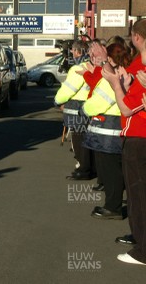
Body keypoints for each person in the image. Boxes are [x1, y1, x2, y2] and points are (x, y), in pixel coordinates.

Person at [102, 18, 146, 266]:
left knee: (138, 194)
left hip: (139, 137)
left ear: (136, 37)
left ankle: (143, 250)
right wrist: (127, 85)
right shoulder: (139, 64)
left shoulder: (142, 64)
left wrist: (116, 84)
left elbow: (128, 108)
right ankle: (140, 238)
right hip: (137, 135)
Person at [81, 42, 132, 220]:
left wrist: (84, 109)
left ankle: (113, 207)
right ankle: (114, 204)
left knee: (111, 172)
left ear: (109, 58)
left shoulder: (112, 77)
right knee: (114, 171)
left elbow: (97, 103)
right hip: (109, 133)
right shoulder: (120, 74)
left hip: (108, 135)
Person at [55, 42, 94, 180]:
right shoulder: (90, 66)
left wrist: (57, 100)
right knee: (87, 138)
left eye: (72, 51)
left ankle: (83, 169)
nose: (71, 53)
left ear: (77, 52)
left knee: (79, 140)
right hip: (88, 107)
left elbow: (68, 89)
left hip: (77, 109)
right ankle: (89, 167)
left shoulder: (78, 68)